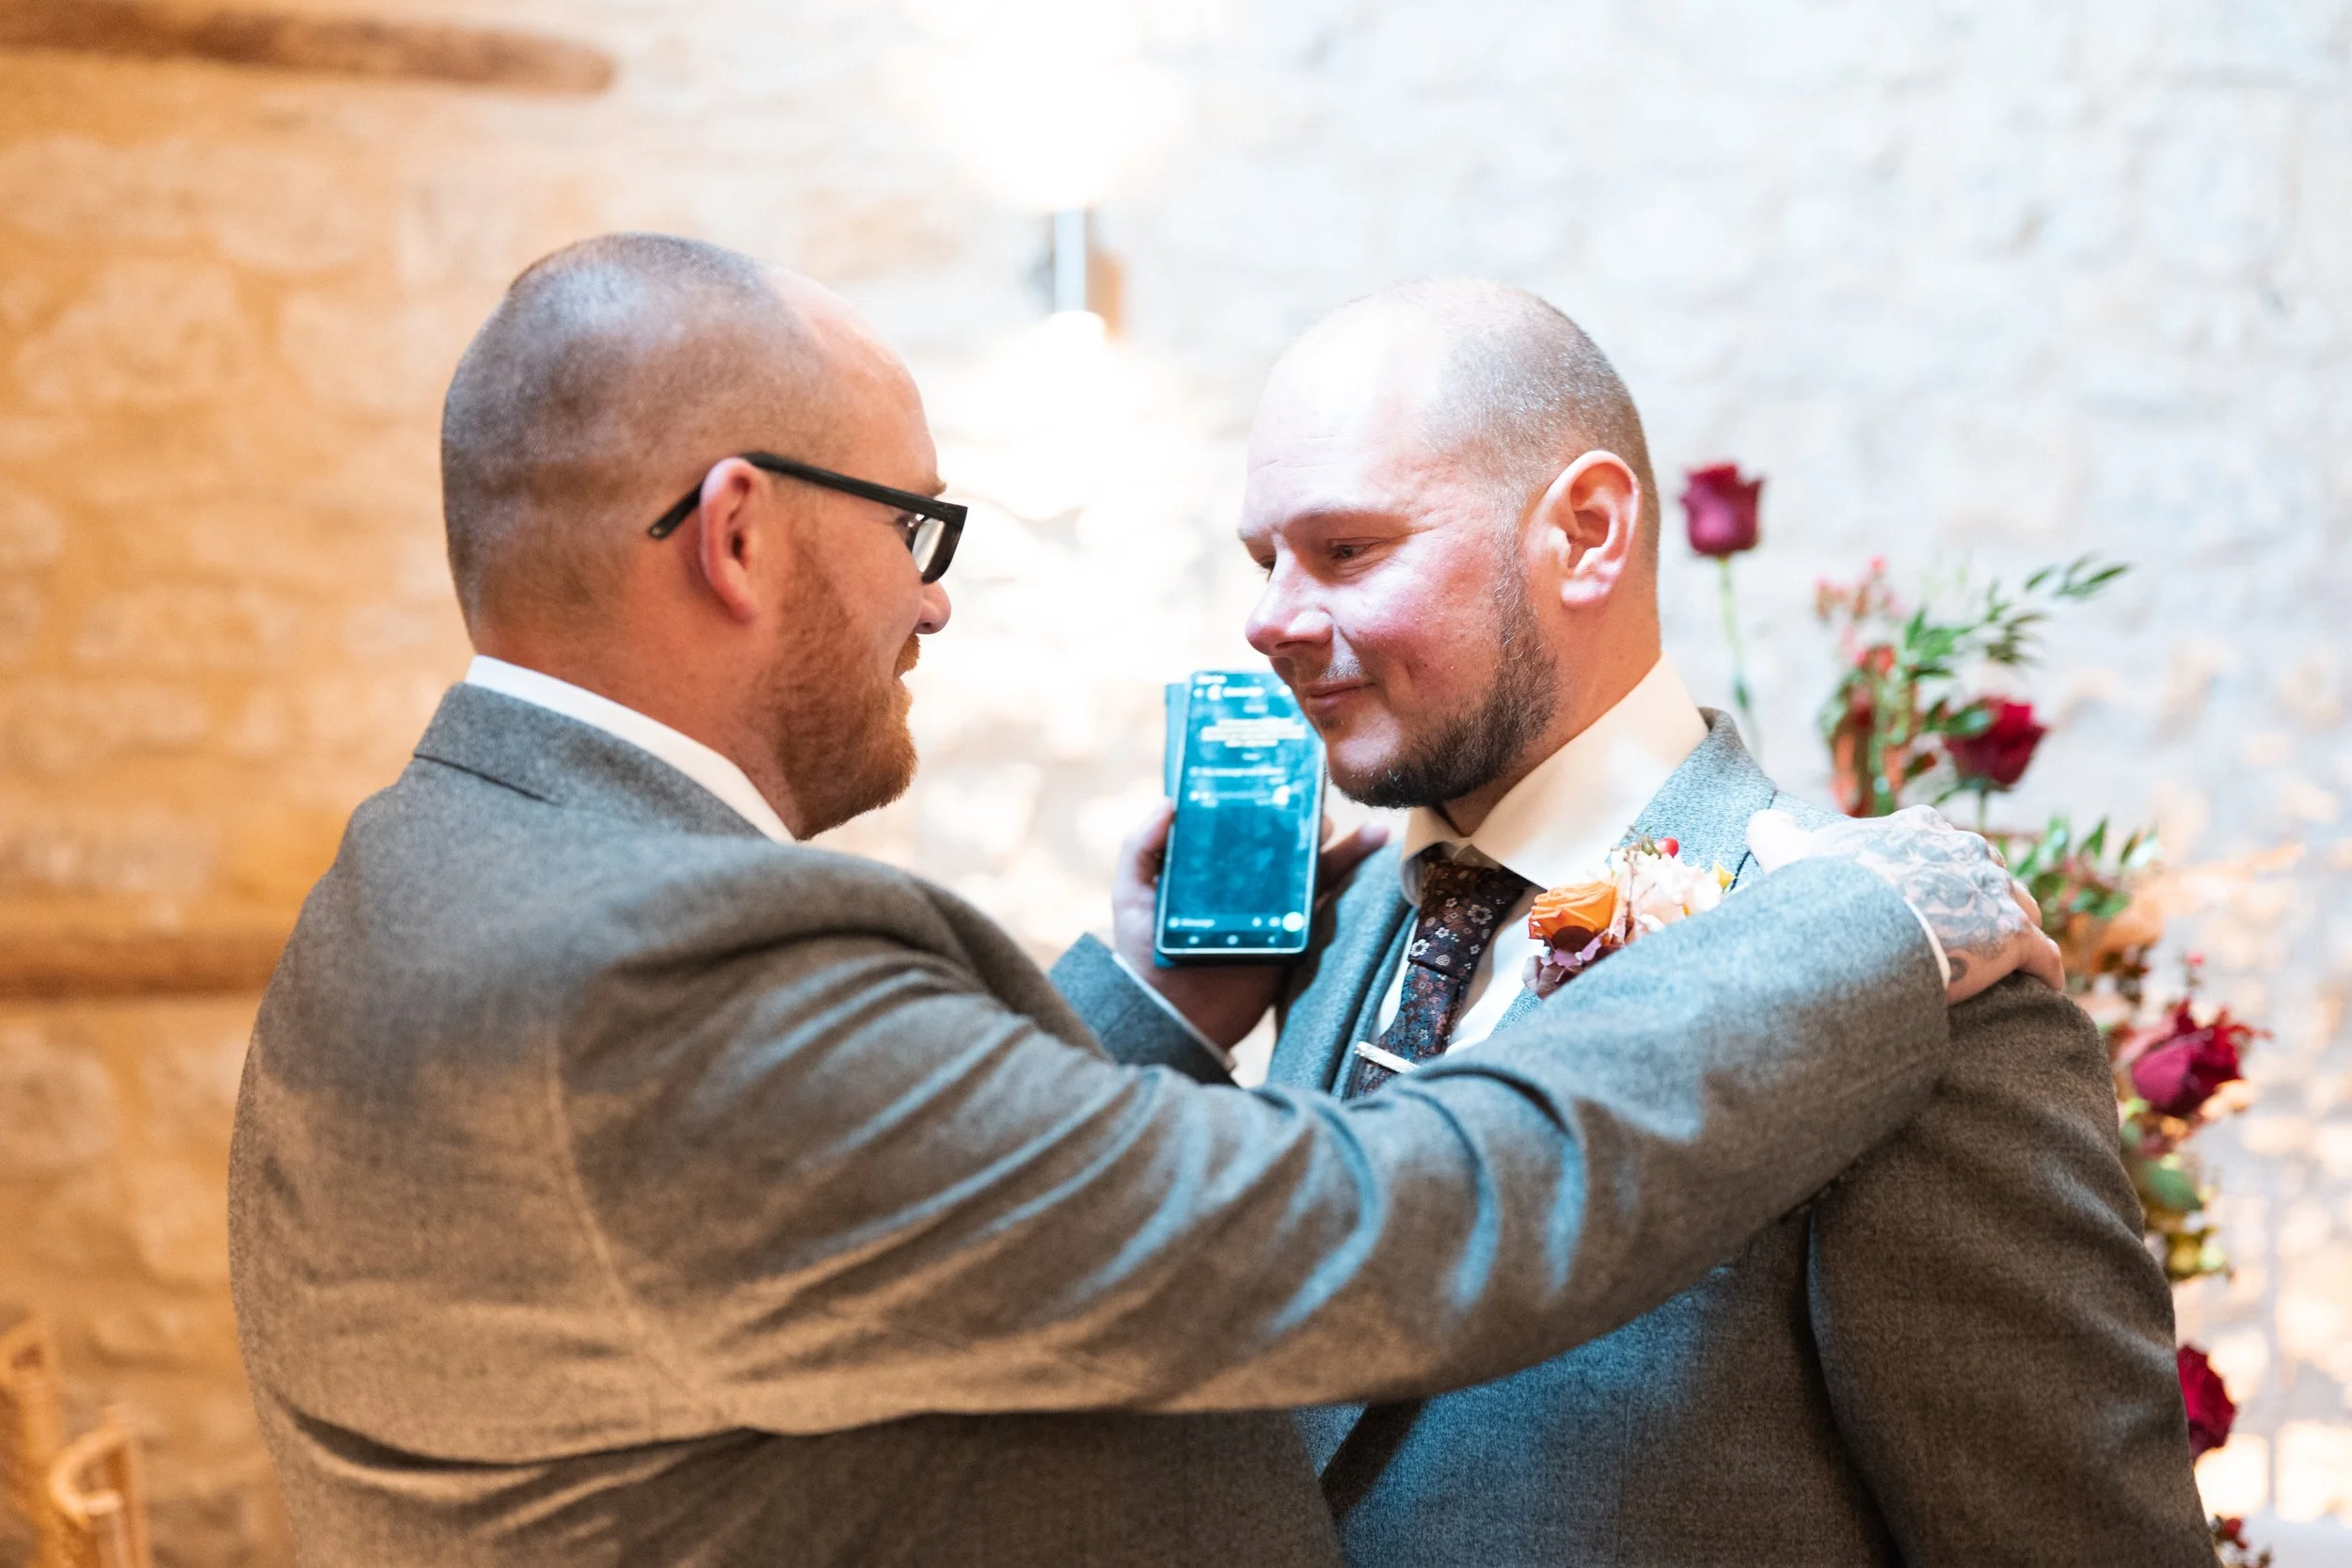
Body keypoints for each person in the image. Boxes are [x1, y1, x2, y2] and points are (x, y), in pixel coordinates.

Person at [228, 235, 2056, 1568]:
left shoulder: (419, 875)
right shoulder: (651, 969)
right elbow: (1353, 1226)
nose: (933, 600)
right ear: (739, 534)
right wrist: (1863, 926)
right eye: (915, 529)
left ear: (1583, 532)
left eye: (1344, 547)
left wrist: (1148, 1007)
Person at [1101, 277, 2209, 1565]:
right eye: (1264, 560)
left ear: (1586, 533)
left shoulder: (1921, 975)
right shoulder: (1327, 934)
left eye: (1346, 549)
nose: (1270, 620)